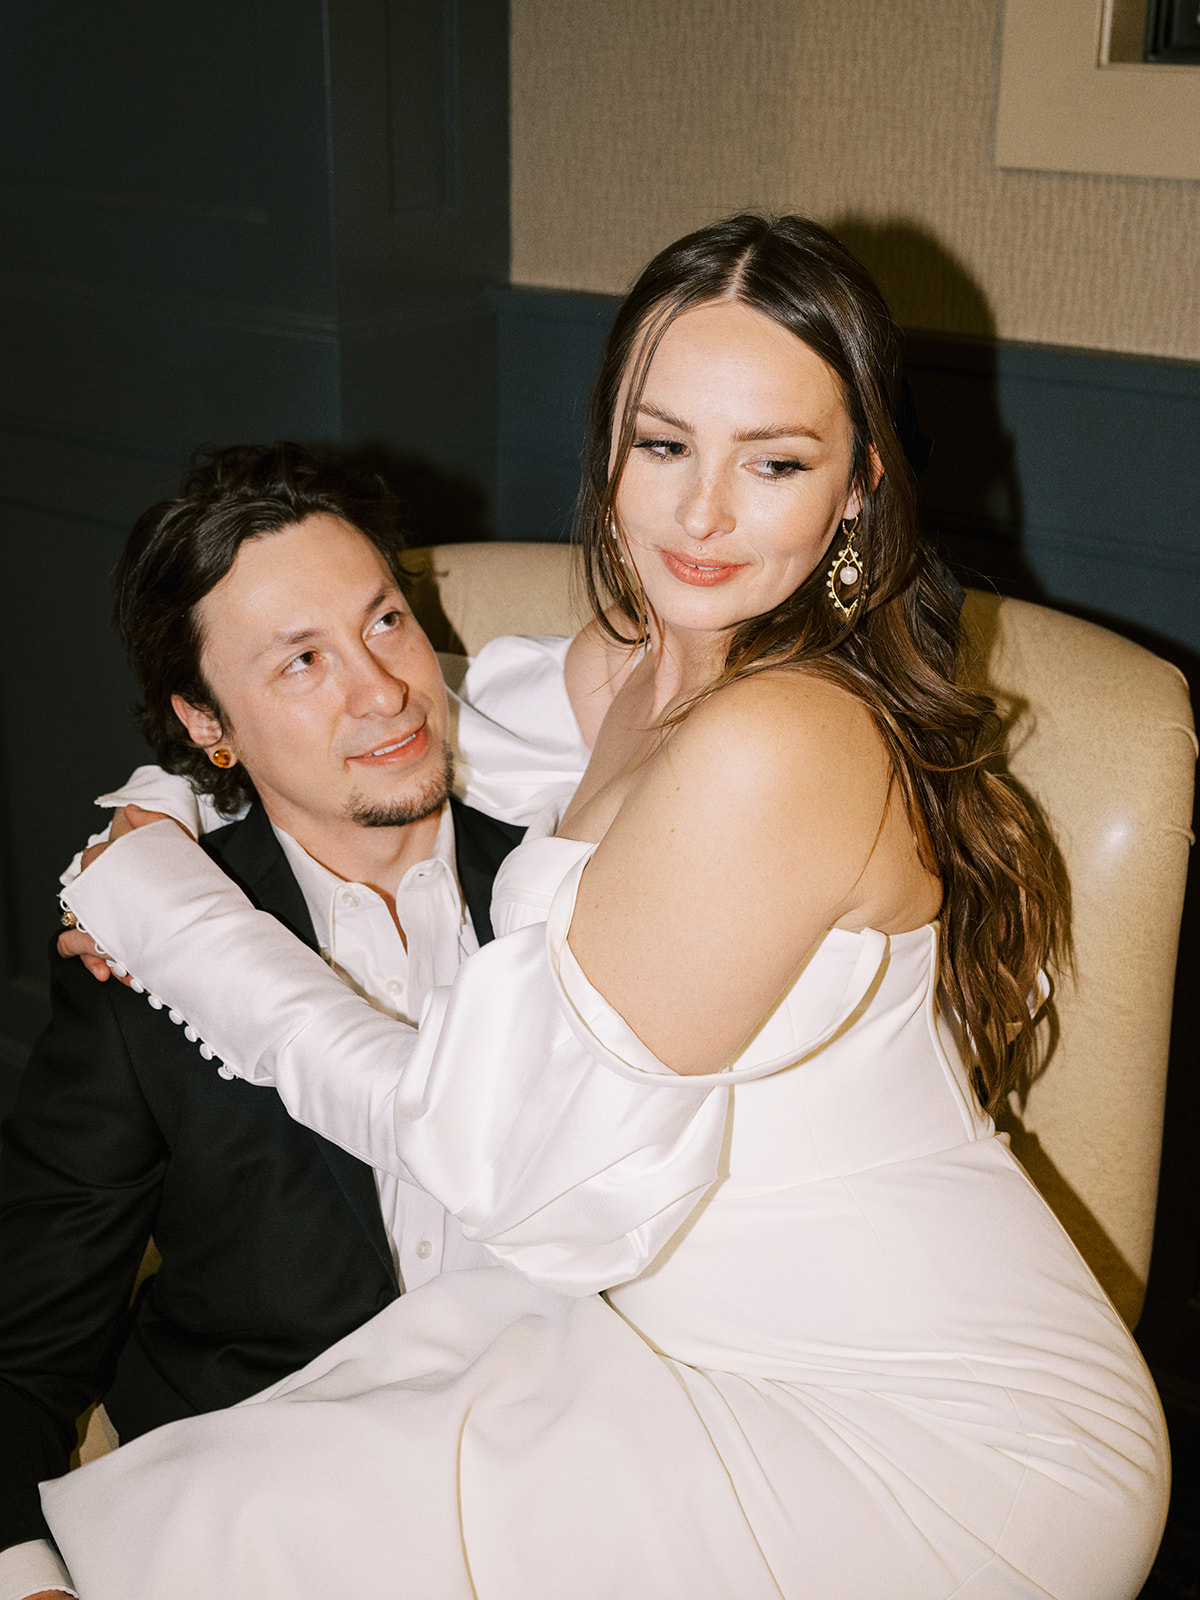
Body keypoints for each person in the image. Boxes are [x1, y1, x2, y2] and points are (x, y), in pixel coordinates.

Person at [44, 216, 1168, 1600]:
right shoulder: (641, 664)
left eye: (775, 461)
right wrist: (181, 797)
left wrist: (174, 923)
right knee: (229, 1513)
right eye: (663, 444)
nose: (700, 516)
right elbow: (407, 723)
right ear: (611, 446)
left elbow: (495, 1170)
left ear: (859, 487)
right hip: (685, 1339)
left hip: (931, 1440)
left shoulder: (778, 746)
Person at [0, 443, 559, 1600]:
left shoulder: (573, 879)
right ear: (207, 723)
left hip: (557, 1464)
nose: (381, 689)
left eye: (386, 622)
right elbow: (21, 1353)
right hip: (264, 1499)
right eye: (300, 661)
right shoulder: (135, 961)